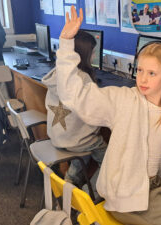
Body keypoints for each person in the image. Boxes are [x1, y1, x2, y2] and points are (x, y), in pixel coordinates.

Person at [56, 6, 161, 225]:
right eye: (140, 70)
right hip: (127, 196)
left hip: (153, 184)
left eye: (151, 73)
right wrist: (66, 43)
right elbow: (75, 96)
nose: (142, 79)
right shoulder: (123, 100)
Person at [42, 30, 107, 197]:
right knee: (110, 160)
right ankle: (88, 195)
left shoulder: (57, 73)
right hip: (75, 140)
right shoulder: (82, 79)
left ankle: (69, 184)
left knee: (82, 152)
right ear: (84, 55)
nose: (94, 56)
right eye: (92, 53)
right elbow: (93, 111)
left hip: (57, 136)